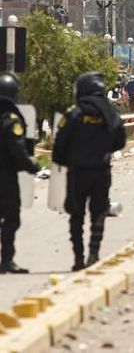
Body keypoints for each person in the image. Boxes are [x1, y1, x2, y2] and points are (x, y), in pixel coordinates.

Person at [53, 72, 127, 271]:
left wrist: (63, 161)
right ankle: (94, 253)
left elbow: (59, 145)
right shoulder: (110, 113)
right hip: (101, 171)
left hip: (77, 173)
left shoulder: (74, 113)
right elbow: (120, 141)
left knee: (76, 215)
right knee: (98, 213)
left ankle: (78, 258)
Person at [0, 73, 40, 274]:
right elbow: (16, 148)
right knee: (11, 218)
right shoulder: (10, 119)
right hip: (5, 177)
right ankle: (6, 260)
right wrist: (31, 164)